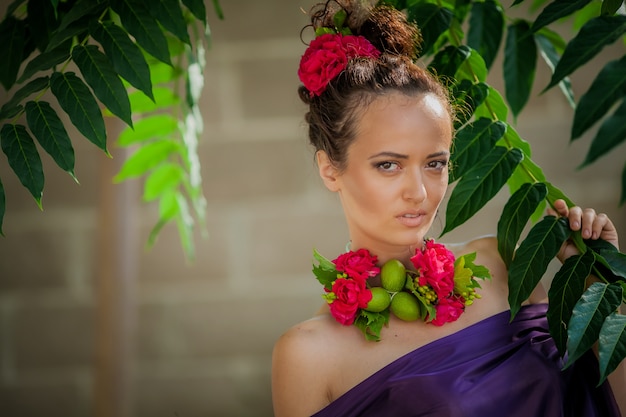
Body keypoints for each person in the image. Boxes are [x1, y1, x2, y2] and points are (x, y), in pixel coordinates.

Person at [271, 1, 624, 416]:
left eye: (435, 163)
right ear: (331, 170)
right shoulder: (308, 354)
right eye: (389, 165)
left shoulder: (501, 265)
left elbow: (601, 399)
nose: (419, 192)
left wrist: (597, 292)